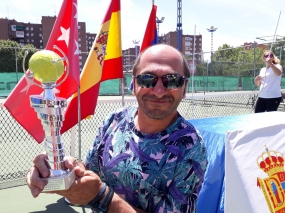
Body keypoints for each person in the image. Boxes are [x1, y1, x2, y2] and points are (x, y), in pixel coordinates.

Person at [26, 44, 208, 213]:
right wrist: (63, 169)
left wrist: (102, 197)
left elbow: (97, 192)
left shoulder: (191, 148)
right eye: (147, 79)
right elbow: (90, 171)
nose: (159, 90)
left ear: (184, 89)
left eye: (173, 80)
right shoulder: (114, 120)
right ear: (133, 84)